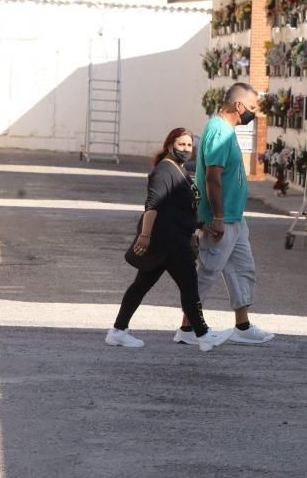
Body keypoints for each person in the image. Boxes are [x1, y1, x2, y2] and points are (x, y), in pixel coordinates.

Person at [106, 128, 233, 351]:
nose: (185, 149)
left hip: (171, 239)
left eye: (188, 145)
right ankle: (203, 335)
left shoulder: (178, 169)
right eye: (180, 144)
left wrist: (202, 226)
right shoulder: (164, 171)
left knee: (141, 286)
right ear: (169, 145)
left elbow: (179, 208)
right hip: (168, 241)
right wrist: (145, 236)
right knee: (189, 286)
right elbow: (153, 205)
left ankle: (118, 331)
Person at [175, 82, 275, 346]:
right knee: (208, 272)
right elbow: (212, 178)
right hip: (221, 219)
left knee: (242, 269)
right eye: (252, 108)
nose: (254, 114)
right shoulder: (219, 131)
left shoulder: (226, 130)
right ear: (239, 106)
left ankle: (242, 325)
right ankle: (187, 329)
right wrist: (216, 217)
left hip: (234, 218)